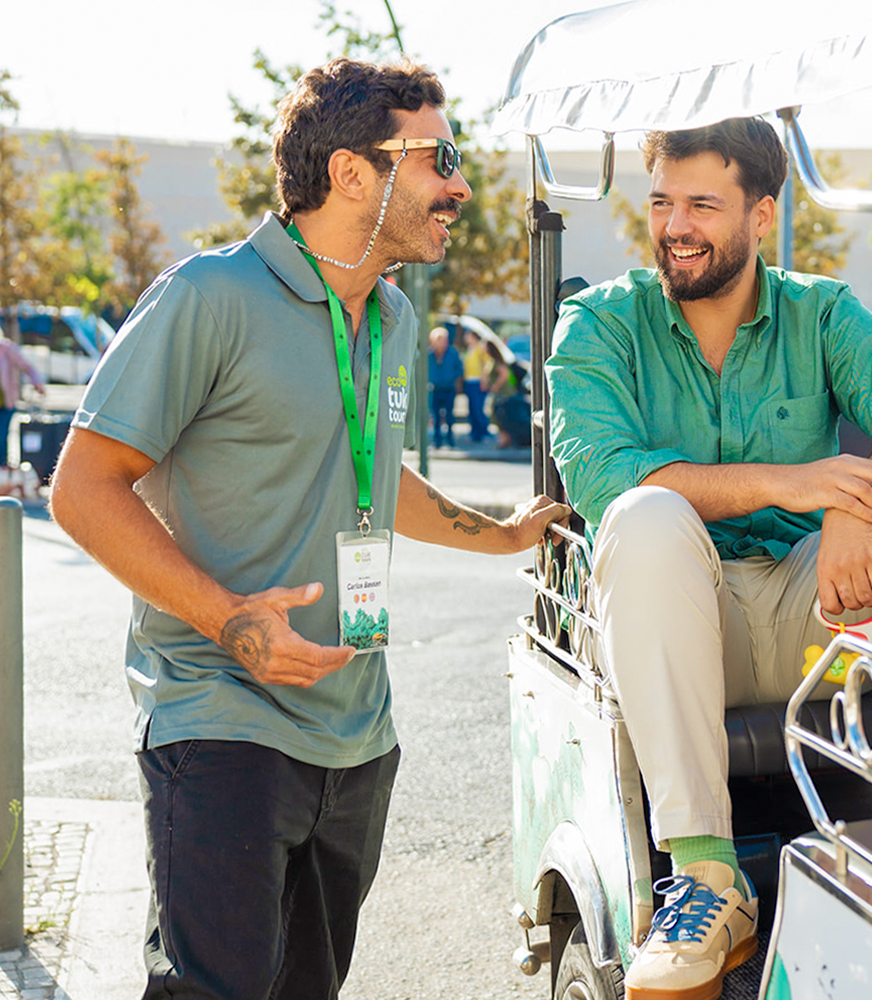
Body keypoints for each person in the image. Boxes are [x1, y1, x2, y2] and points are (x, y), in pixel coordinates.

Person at [48, 58, 569, 1000]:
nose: (460, 185)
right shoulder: (210, 295)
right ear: (352, 173)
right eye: (440, 156)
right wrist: (231, 621)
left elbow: (370, 467)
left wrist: (499, 534)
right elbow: (84, 487)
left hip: (358, 738)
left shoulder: (398, 317)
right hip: (220, 716)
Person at [546, 117, 872, 1000]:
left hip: (810, 613)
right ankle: (707, 877)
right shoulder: (596, 325)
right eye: (662, 202)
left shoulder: (822, 312)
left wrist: (862, 497)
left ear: (762, 215)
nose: (675, 225)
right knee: (648, 513)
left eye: (703, 203)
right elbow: (608, 480)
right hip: (662, 618)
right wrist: (806, 484)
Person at [0, 334, 45, 465]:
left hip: (6, 403)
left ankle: (4, 468)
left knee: (1, 436)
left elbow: (27, 366)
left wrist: (37, 383)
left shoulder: (6, 349)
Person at [427, 325, 463, 447]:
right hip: (435, 388)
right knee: (435, 416)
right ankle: (437, 440)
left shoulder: (453, 353)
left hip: (449, 388)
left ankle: (450, 439)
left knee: (449, 416)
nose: (442, 343)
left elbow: (459, 369)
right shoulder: (429, 355)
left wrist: (456, 382)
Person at [459, 326, 492, 442]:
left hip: (478, 381)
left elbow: (487, 363)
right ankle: (474, 433)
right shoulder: (469, 349)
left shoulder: (480, 348)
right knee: (471, 408)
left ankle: (483, 432)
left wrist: (485, 379)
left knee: (478, 408)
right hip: (469, 381)